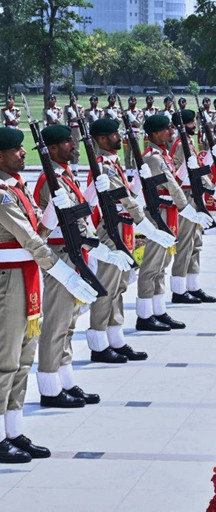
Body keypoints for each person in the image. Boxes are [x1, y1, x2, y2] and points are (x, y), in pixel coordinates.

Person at [0, 128, 96, 461]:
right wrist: (63, 271)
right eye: (15, 150)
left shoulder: (17, 188)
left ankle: (13, 431)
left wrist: (51, 217)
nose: (22, 153)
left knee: (24, 358)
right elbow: (29, 239)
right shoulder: (2, 193)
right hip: (9, 279)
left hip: (27, 276)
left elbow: (36, 232)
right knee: (6, 360)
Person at [33, 125, 132, 407]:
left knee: (69, 322)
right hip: (60, 255)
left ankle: (65, 381)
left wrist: (90, 192)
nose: (73, 146)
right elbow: (43, 228)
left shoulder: (64, 175)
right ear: (51, 149)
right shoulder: (47, 179)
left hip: (76, 251)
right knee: (56, 322)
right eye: (66, 142)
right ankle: (50, 385)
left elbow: (79, 213)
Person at [87, 119, 176, 361]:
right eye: (114, 134)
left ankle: (115, 339)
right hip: (110, 230)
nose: (119, 137)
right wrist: (149, 229)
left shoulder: (112, 163)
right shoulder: (102, 167)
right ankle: (99, 343)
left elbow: (128, 196)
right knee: (106, 289)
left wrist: (138, 181)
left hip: (122, 228)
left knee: (118, 288)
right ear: (102, 140)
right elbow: (125, 202)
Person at [135, 115, 213, 331]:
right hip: (158, 213)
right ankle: (144, 315)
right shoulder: (153, 158)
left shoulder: (163, 155)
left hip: (167, 212)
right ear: (153, 134)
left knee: (161, 266)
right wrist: (188, 210)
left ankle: (158, 310)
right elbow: (172, 186)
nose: (170, 132)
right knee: (151, 266)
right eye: (165, 129)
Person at [170, 110, 216, 302]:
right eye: (192, 123)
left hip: (195, 194)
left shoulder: (188, 143)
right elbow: (183, 175)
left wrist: (210, 160)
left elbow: (198, 169)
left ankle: (192, 285)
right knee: (186, 242)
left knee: (196, 242)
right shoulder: (181, 145)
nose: (195, 126)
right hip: (187, 196)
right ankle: (179, 289)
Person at [123, 96, 144, 178]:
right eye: (130, 100)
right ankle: (128, 173)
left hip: (135, 134)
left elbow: (138, 124)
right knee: (126, 155)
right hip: (126, 135)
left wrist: (131, 116)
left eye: (134, 100)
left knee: (135, 154)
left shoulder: (139, 111)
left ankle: (135, 172)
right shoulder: (124, 111)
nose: (132, 102)